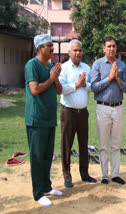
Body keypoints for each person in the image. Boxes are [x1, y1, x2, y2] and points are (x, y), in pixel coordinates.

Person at [24, 34, 63, 207]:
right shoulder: (32, 65)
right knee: (37, 156)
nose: (52, 48)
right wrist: (51, 78)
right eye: (49, 46)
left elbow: (59, 91)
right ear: (40, 48)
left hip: (49, 119)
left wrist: (56, 78)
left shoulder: (50, 66)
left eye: (52, 45)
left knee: (47, 155)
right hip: (36, 119)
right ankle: (38, 192)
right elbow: (35, 89)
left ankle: (47, 187)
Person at [90, 36, 126, 185]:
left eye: (114, 46)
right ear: (104, 48)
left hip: (118, 107)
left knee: (116, 144)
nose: (112, 49)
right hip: (102, 108)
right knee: (103, 144)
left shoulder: (122, 65)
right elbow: (94, 87)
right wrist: (109, 77)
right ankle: (104, 175)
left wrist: (117, 78)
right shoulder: (98, 64)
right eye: (109, 46)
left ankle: (115, 174)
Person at [59, 39, 97, 188]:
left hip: (83, 113)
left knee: (83, 144)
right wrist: (76, 85)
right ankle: (67, 175)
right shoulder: (64, 68)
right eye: (75, 50)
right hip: (68, 112)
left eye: (80, 50)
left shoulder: (86, 67)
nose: (78, 53)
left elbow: (92, 86)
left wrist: (84, 84)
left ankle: (85, 173)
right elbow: (61, 88)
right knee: (66, 144)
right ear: (69, 52)